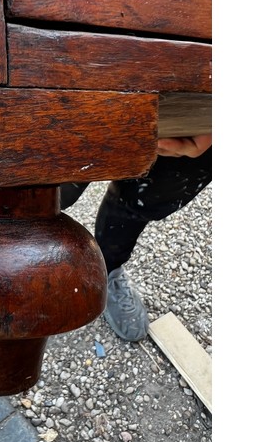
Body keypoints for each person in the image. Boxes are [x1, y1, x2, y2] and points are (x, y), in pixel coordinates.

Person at [61, 135, 212, 342]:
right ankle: (13, 267)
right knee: (38, 187)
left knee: (146, 197)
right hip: (54, 108)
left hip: (193, 116)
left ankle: (107, 270)